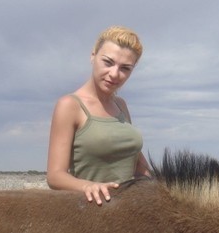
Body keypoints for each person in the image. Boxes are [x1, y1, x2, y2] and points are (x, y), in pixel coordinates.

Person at [46, 26, 151, 205]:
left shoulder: (121, 105)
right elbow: (55, 176)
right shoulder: (70, 105)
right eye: (108, 62)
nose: (114, 74)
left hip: (129, 210)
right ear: (93, 56)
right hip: (92, 211)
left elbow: (136, 161)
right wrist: (88, 186)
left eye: (125, 68)